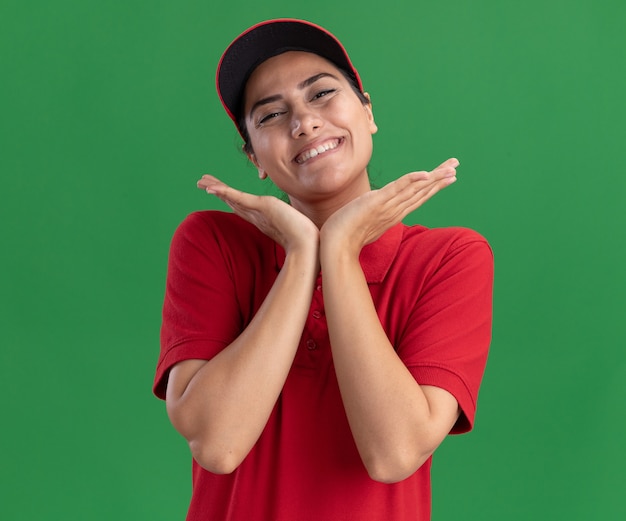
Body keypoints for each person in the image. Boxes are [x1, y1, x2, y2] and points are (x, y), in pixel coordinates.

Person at [153, 18, 493, 521]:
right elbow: (218, 444)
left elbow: (394, 453)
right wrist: (301, 253)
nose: (304, 122)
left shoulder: (450, 259)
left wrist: (337, 250)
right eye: (270, 115)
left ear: (368, 112)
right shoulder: (213, 243)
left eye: (322, 94)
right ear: (255, 159)